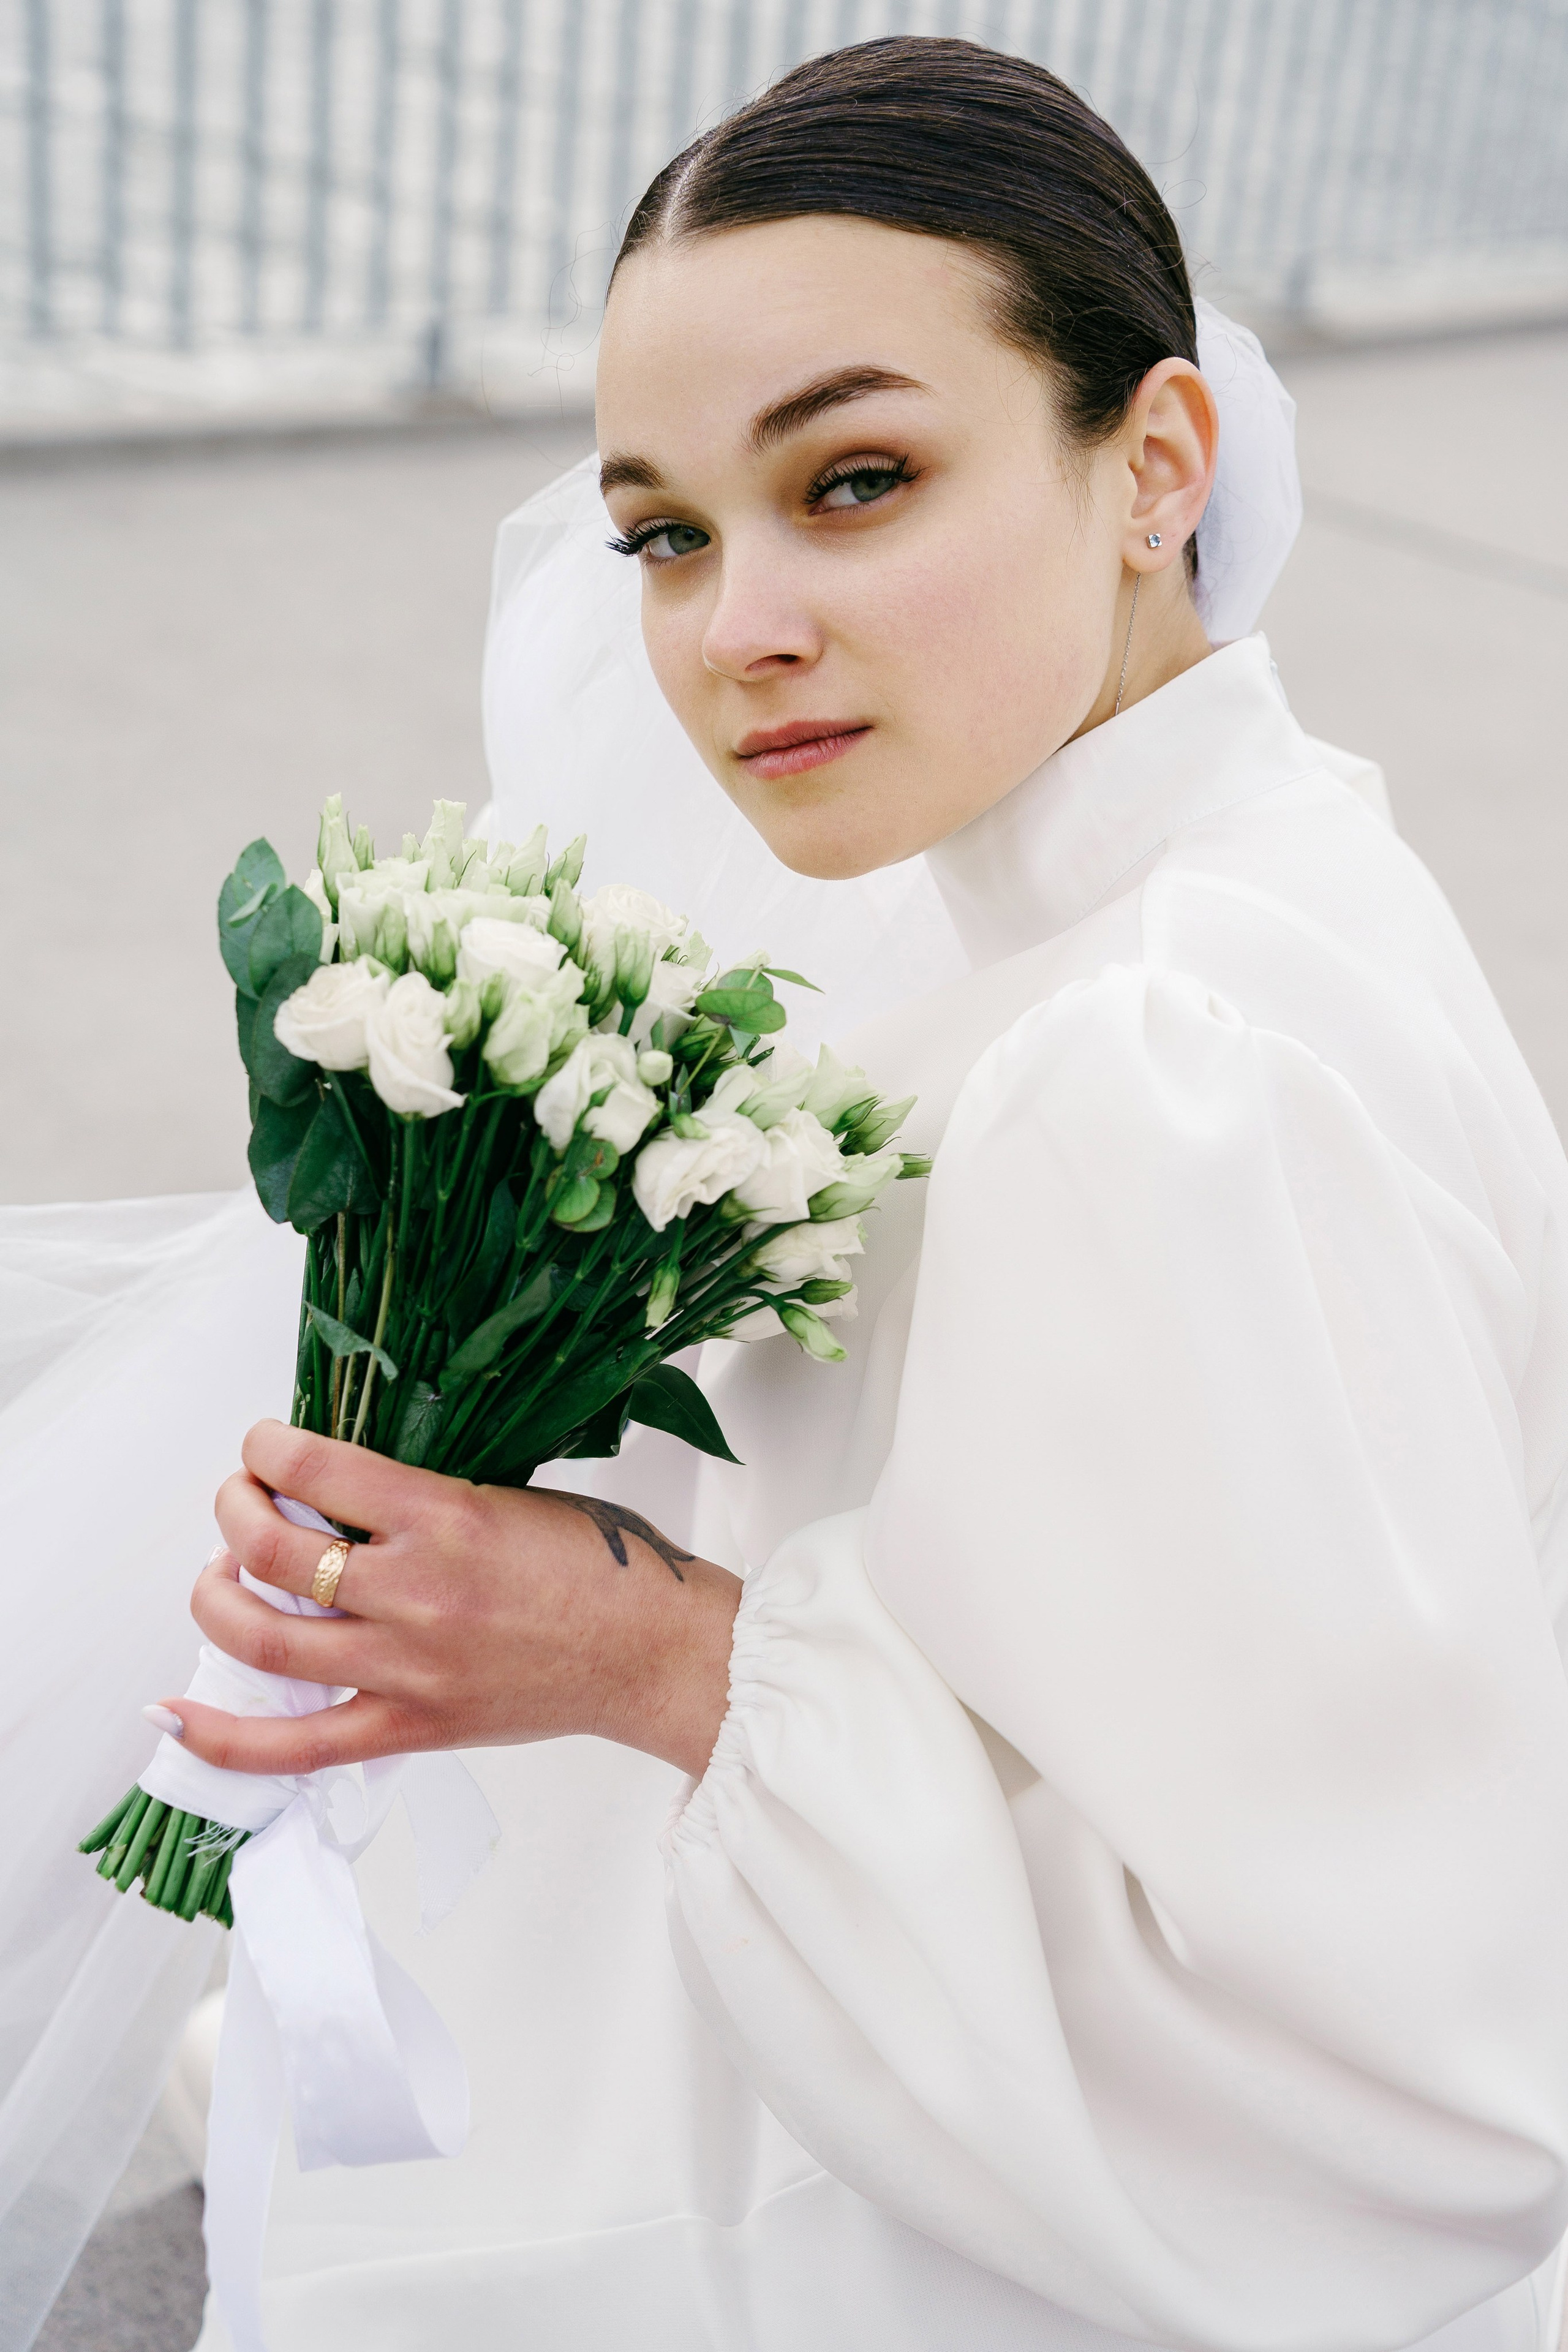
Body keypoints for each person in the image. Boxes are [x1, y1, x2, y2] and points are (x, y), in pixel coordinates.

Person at [12, 35, 1568, 2352]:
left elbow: (1420, 2106)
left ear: (1156, 463)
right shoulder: (1230, 874)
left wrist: (639, 1649)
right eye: (665, 529)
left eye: (855, 481)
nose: (731, 628)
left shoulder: (1151, 1071)